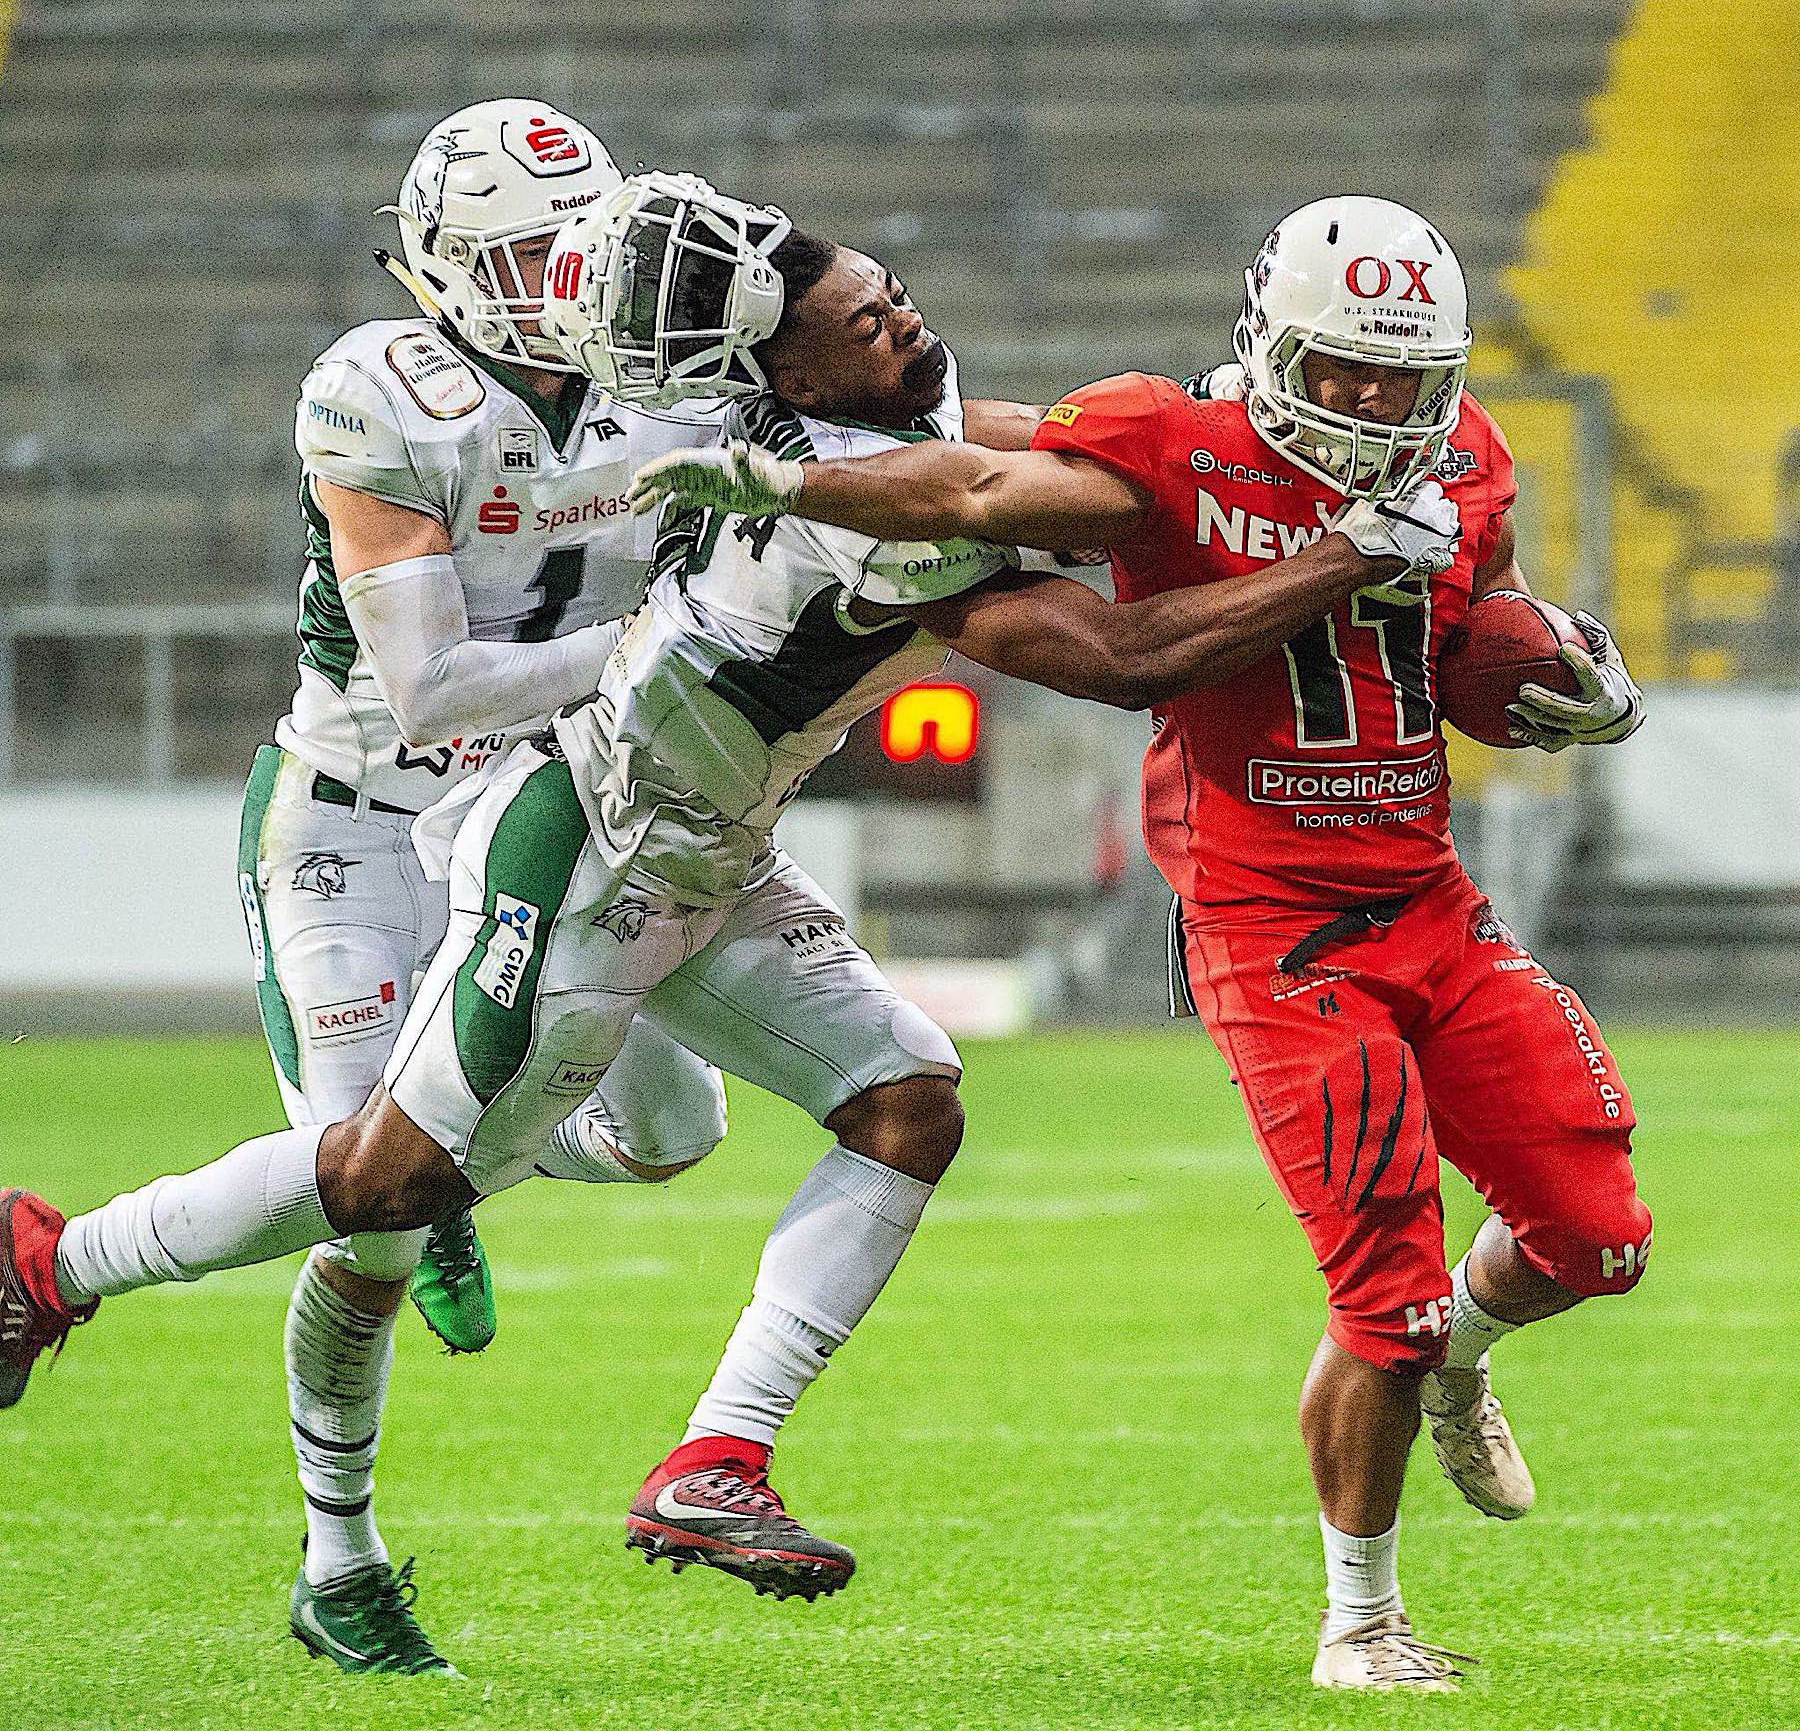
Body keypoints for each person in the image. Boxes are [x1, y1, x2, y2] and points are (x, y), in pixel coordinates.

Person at [0, 183, 1460, 1676]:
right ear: (791, 384)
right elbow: (1125, 642)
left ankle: (717, 1464)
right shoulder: (844, 500)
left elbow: (1028, 445)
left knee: (907, 1102)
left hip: (720, 850)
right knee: (388, 1183)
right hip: (593, 856)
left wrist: (1233, 428)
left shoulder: (883, 407)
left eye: (886, 291)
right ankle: (53, 1263)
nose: (899, 317)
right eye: (860, 322)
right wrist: (1348, 543)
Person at [628, 195, 1651, 1694]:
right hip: (1279, 931)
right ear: (1272, 343)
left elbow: (1468, 632)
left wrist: (1564, 673)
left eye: (1403, 372)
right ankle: (1359, 1625)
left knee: (1598, 1240)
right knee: (1388, 1291)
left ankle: (1459, 1374)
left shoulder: (1471, 453)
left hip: (1434, 900)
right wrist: (790, 483)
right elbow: (976, 490)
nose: (1377, 402)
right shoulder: (1181, 449)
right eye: (1346, 368)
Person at [241, 97, 751, 1674]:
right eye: (523, 252)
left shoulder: (666, 379)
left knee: (677, 1132)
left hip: (556, 808)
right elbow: (434, 690)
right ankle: (343, 1564)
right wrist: (669, 652)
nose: (561, 277)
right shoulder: (384, 392)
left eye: (575, 243)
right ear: (447, 268)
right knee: (364, 1210)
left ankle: (459, 1157)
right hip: (357, 820)